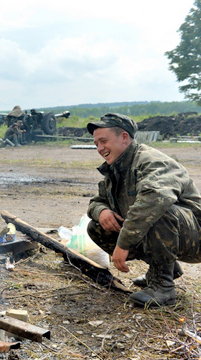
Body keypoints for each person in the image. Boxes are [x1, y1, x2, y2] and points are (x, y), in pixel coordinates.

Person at [86, 113, 201, 308]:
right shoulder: (117, 168)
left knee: (157, 211)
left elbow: (155, 200)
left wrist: (123, 244)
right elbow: (96, 201)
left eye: (103, 141)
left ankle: (163, 287)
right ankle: (163, 269)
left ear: (124, 137)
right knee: (97, 226)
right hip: (175, 234)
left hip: (195, 238)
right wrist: (101, 211)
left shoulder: (151, 161)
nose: (99, 148)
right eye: (96, 143)